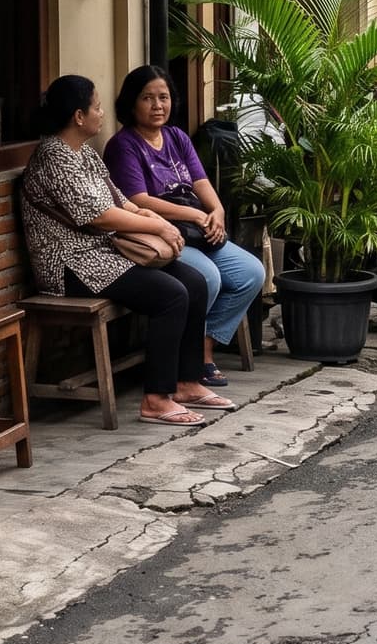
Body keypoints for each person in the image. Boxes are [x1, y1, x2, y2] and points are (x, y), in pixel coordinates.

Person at [20, 75, 233, 427]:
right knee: (171, 295)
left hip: (104, 253)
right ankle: (155, 399)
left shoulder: (84, 153)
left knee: (194, 282)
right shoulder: (53, 158)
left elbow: (117, 199)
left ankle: (187, 382)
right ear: (78, 116)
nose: (102, 113)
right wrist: (160, 226)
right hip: (72, 265)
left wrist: (145, 213)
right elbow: (100, 216)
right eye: (97, 106)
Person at [105, 65, 267, 388]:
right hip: (160, 236)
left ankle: (204, 349)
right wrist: (194, 216)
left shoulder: (177, 137)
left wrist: (217, 212)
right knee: (208, 277)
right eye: (147, 98)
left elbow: (201, 182)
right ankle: (181, 362)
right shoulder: (124, 145)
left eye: (163, 97)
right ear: (131, 103)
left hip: (197, 231)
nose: (157, 106)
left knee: (252, 272)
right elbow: (139, 200)